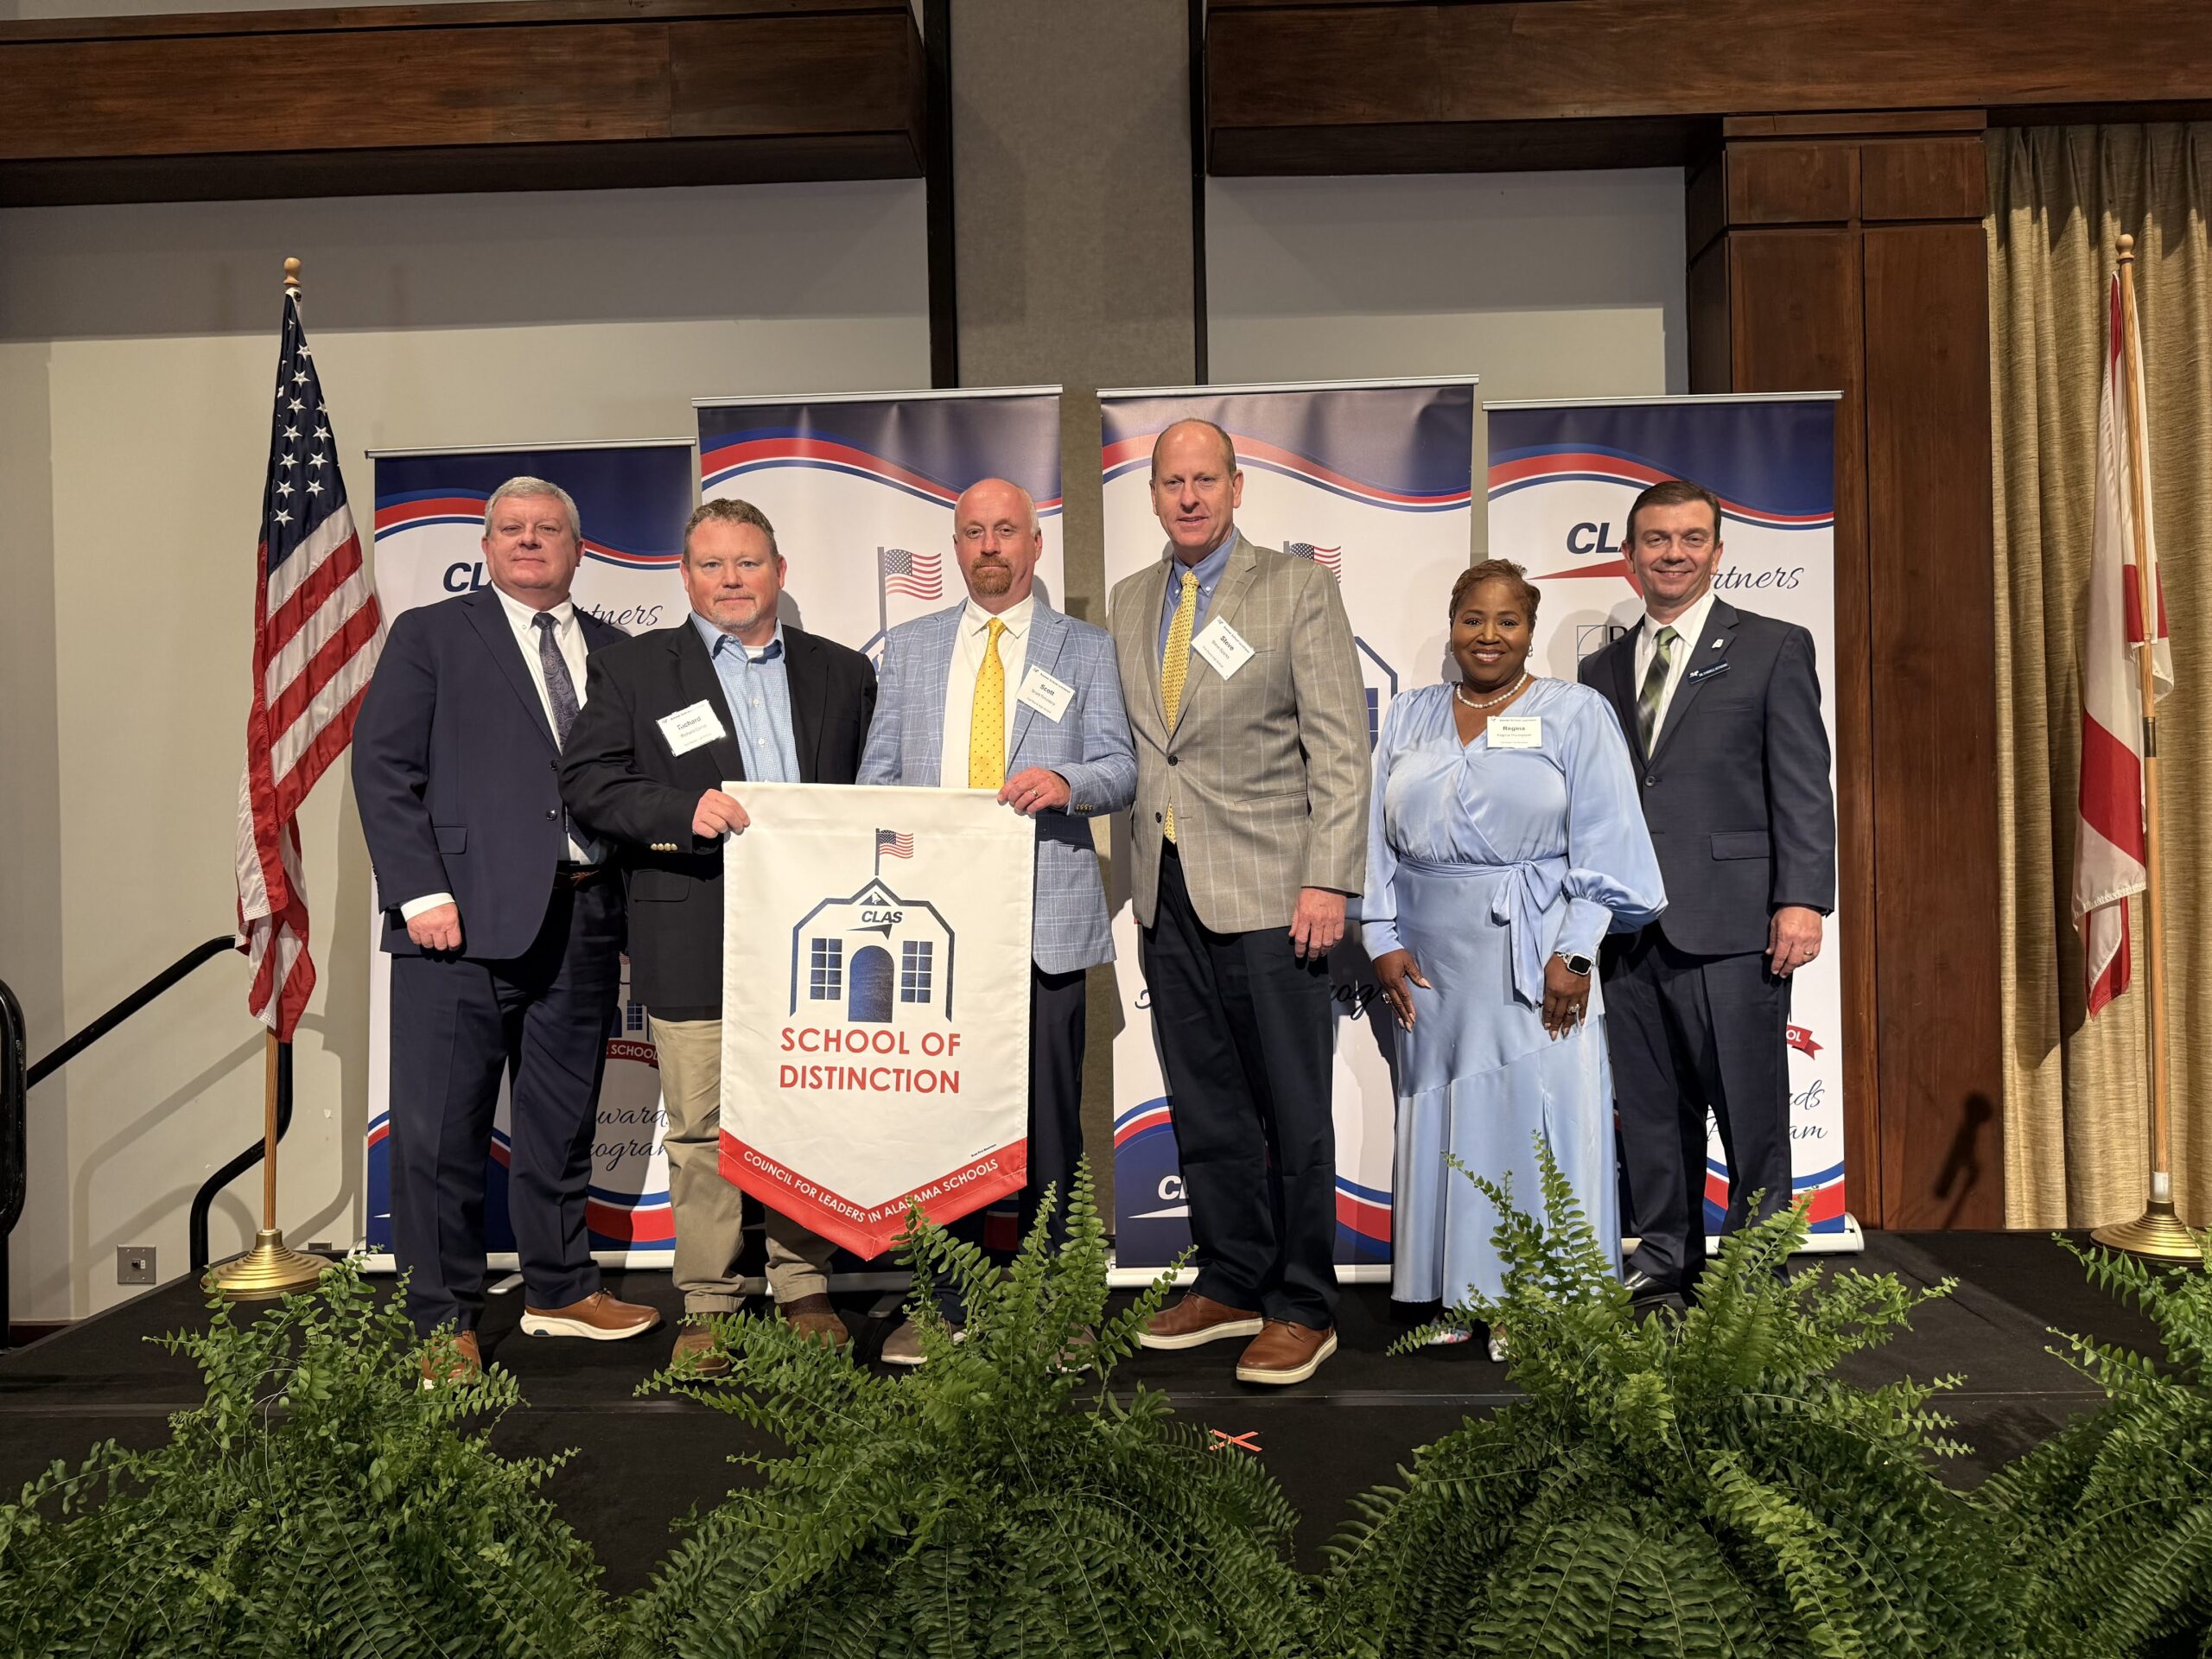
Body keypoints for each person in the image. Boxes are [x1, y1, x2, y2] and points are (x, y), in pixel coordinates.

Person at [353, 476, 661, 1382]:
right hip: (455, 925)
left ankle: (559, 1290)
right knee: (438, 1134)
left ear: (578, 548)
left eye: (548, 529)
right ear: (486, 548)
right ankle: (440, 1318)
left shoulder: (619, 652)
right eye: (512, 529)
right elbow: (382, 768)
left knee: (562, 1124)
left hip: (586, 913)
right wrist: (420, 894)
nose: (530, 541)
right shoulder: (430, 636)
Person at [561, 498, 876, 1371]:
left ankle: (803, 1284)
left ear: (779, 571)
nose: (730, 580)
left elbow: (874, 788)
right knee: (700, 1127)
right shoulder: (631, 670)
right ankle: (708, 1303)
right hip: (691, 925)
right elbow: (587, 783)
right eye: (711, 565)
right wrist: (678, 812)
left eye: (747, 562)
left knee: (807, 1112)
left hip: (818, 940)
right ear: (685, 576)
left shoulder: (842, 671)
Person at [1108, 417, 1370, 1388]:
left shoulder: (1297, 589)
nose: (1188, 497)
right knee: (1206, 1102)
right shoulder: (1131, 600)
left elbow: (1340, 747)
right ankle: (1230, 1279)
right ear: (1152, 494)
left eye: (1204, 480)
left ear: (1236, 486)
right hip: (1164, 891)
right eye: (1171, 482)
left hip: (1274, 891)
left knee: (1292, 1107)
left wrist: (1329, 877)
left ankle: (1302, 1304)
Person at [859, 477, 1136, 1365]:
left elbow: (1120, 768)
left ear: (1033, 545)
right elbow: (877, 780)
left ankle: (1058, 1306)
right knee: (944, 1122)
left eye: (1006, 531)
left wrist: (1067, 782)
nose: (989, 546)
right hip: (935, 929)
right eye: (974, 532)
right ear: (955, 546)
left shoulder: (1083, 649)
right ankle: (945, 1301)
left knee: (1050, 1122)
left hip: (1044, 921)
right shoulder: (908, 649)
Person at [1363, 561, 1664, 1349]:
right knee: (1445, 1119)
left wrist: (1577, 951)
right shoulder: (1410, 715)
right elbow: (1373, 837)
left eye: (1508, 621)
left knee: (1531, 1118)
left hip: (1536, 951)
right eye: (1473, 619)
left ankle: (1533, 1301)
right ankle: (1456, 1294)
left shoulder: (1576, 713)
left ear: (1530, 631)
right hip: (1429, 962)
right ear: (1452, 626)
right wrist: (1380, 936)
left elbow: (1607, 840)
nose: (1489, 635)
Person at [1579, 477, 1836, 1306]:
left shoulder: (1773, 646)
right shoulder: (1597, 669)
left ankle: (1756, 1280)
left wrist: (1803, 899)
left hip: (1735, 924)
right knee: (1653, 1113)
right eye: (1657, 539)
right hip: (1628, 929)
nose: (1674, 554)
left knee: (1750, 1113)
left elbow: (1803, 783)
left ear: (1718, 553)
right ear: (1629, 556)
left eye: (1692, 539)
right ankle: (1665, 1263)